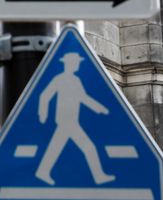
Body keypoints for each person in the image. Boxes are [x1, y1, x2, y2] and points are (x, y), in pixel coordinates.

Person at [35, 51, 115, 186]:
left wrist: (99, 108)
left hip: (71, 121)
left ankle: (43, 171)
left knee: (55, 147)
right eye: (75, 62)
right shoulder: (59, 79)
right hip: (65, 121)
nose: (77, 64)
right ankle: (99, 176)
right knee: (88, 147)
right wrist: (43, 114)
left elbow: (83, 97)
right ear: (69, 64)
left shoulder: (75, 80)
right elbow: (45, 95)